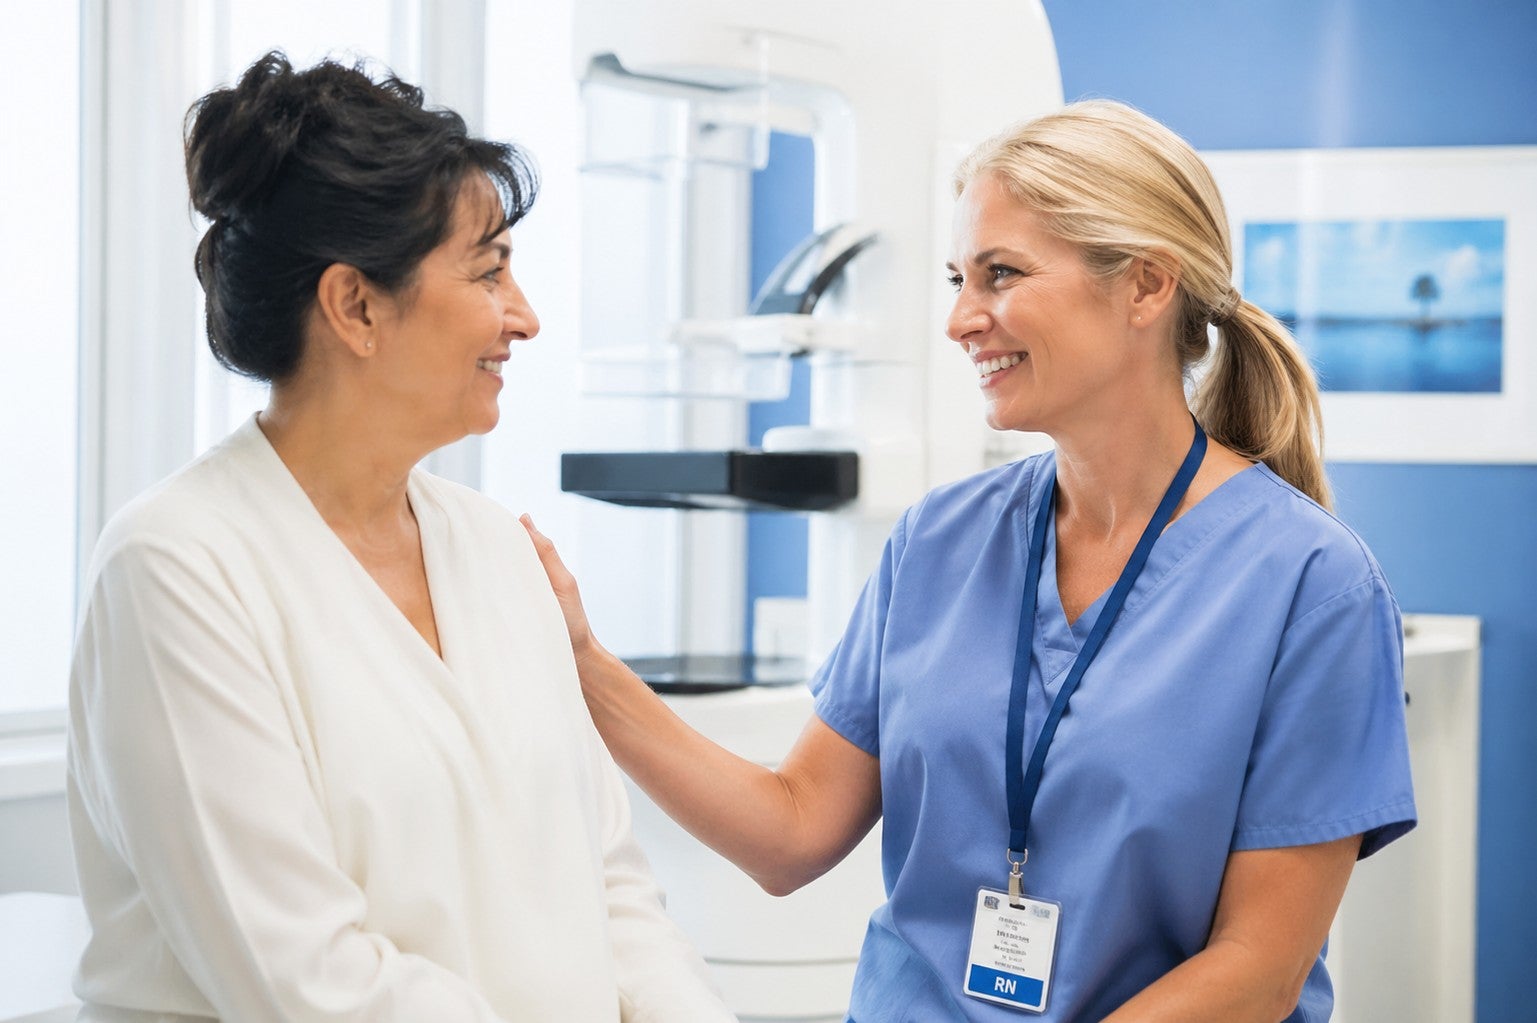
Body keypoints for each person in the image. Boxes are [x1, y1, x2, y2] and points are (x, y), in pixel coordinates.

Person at [522, 99, 1415, 1023]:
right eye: (958, 277)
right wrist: (585, 664)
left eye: (999, 274)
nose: (958, 319)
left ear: (1146, 285)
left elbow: (1257, 969)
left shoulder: (1311, 586)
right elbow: (791, 832)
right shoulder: (939, 540)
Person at [66, 52, 735, 1023]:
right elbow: (299, 976)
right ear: (356, 306)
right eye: (489, 270)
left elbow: (612, 892)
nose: (525, 316)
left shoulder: (497, 549)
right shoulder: (178, 570)